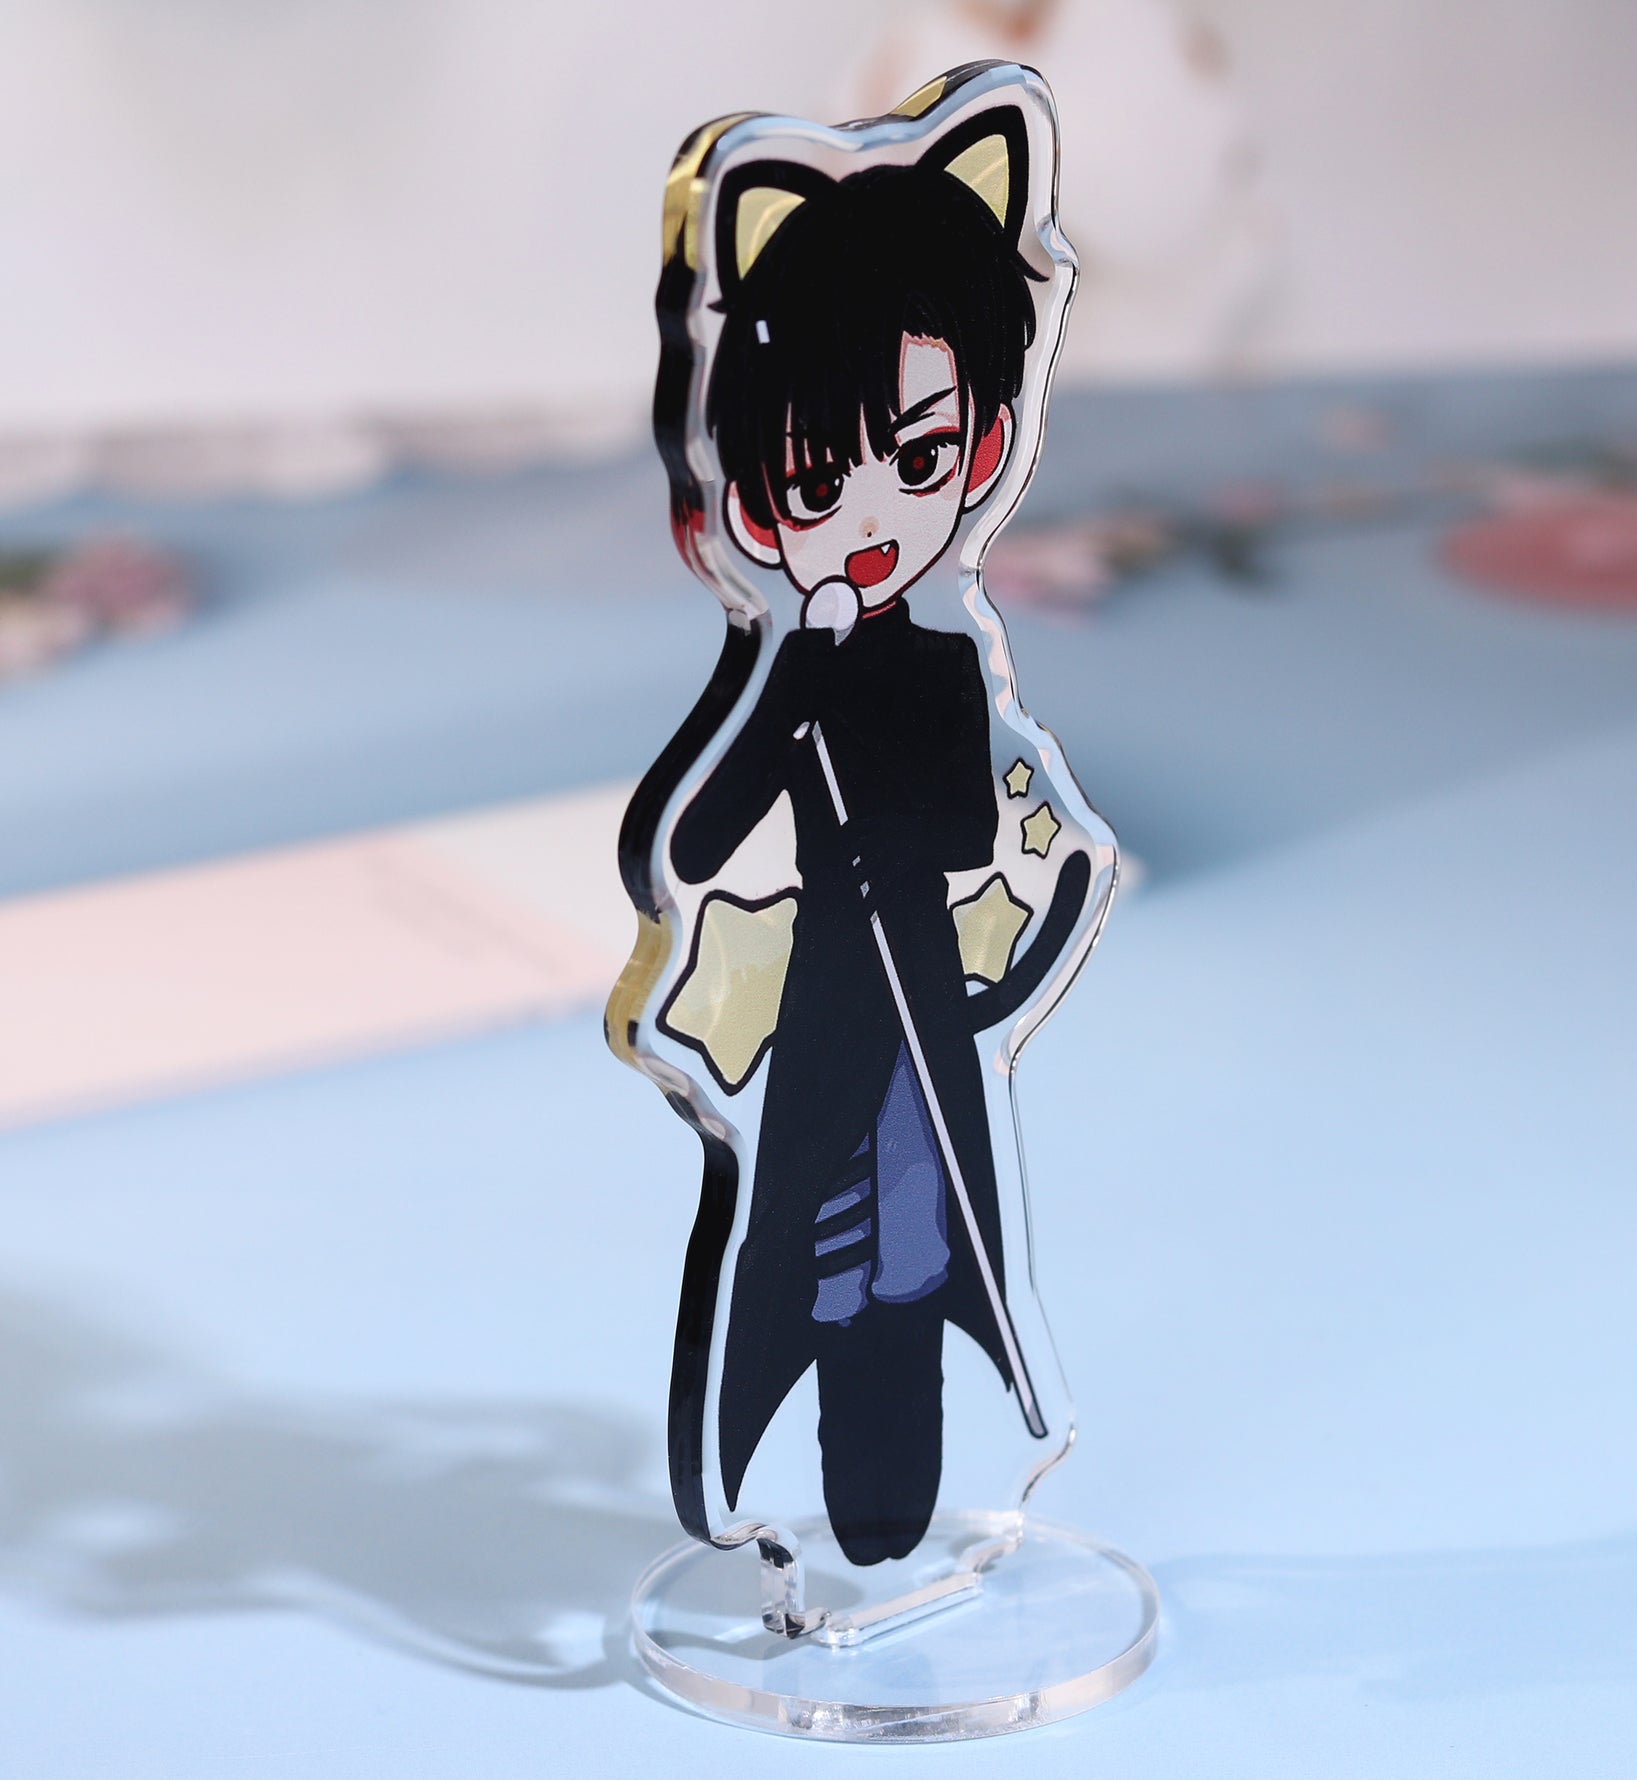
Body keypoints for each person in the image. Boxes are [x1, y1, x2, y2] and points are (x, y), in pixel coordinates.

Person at [664, 105, 1083, 1565]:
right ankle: (807, 1490)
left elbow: (961, 825)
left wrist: (879, 742)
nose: (872, 515)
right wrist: (801, 683)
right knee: (817, 1252)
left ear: (982, 446)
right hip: (828, 1002)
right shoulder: (793, 671)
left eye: (920, 454)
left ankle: (900, 1507)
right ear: (752, 495)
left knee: (921, 1247)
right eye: (814, 479)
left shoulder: (950, 662)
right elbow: (696, 843)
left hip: (925, 1006)